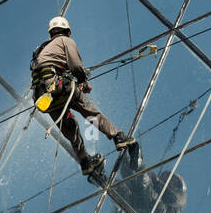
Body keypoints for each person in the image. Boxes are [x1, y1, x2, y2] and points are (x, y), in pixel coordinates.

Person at [30, 16, 137, 177]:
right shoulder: (66, 41)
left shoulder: (40, 51)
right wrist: (83, 82)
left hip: (43, 97)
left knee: (69, 127)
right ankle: (117, 136)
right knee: (89, 111)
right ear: (67, 31)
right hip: (58, 86)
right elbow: (75, 66)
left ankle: (85, 161)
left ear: (50, 33)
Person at [113, 149, 188, 213]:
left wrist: (157, 182)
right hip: (140, 208)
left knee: (144, 181)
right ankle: (123, 157)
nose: (165, 180)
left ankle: (136, 158)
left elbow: (172, 198)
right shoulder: (156, 190)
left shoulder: (181, 199)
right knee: (130, 182)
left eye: (170, 179)